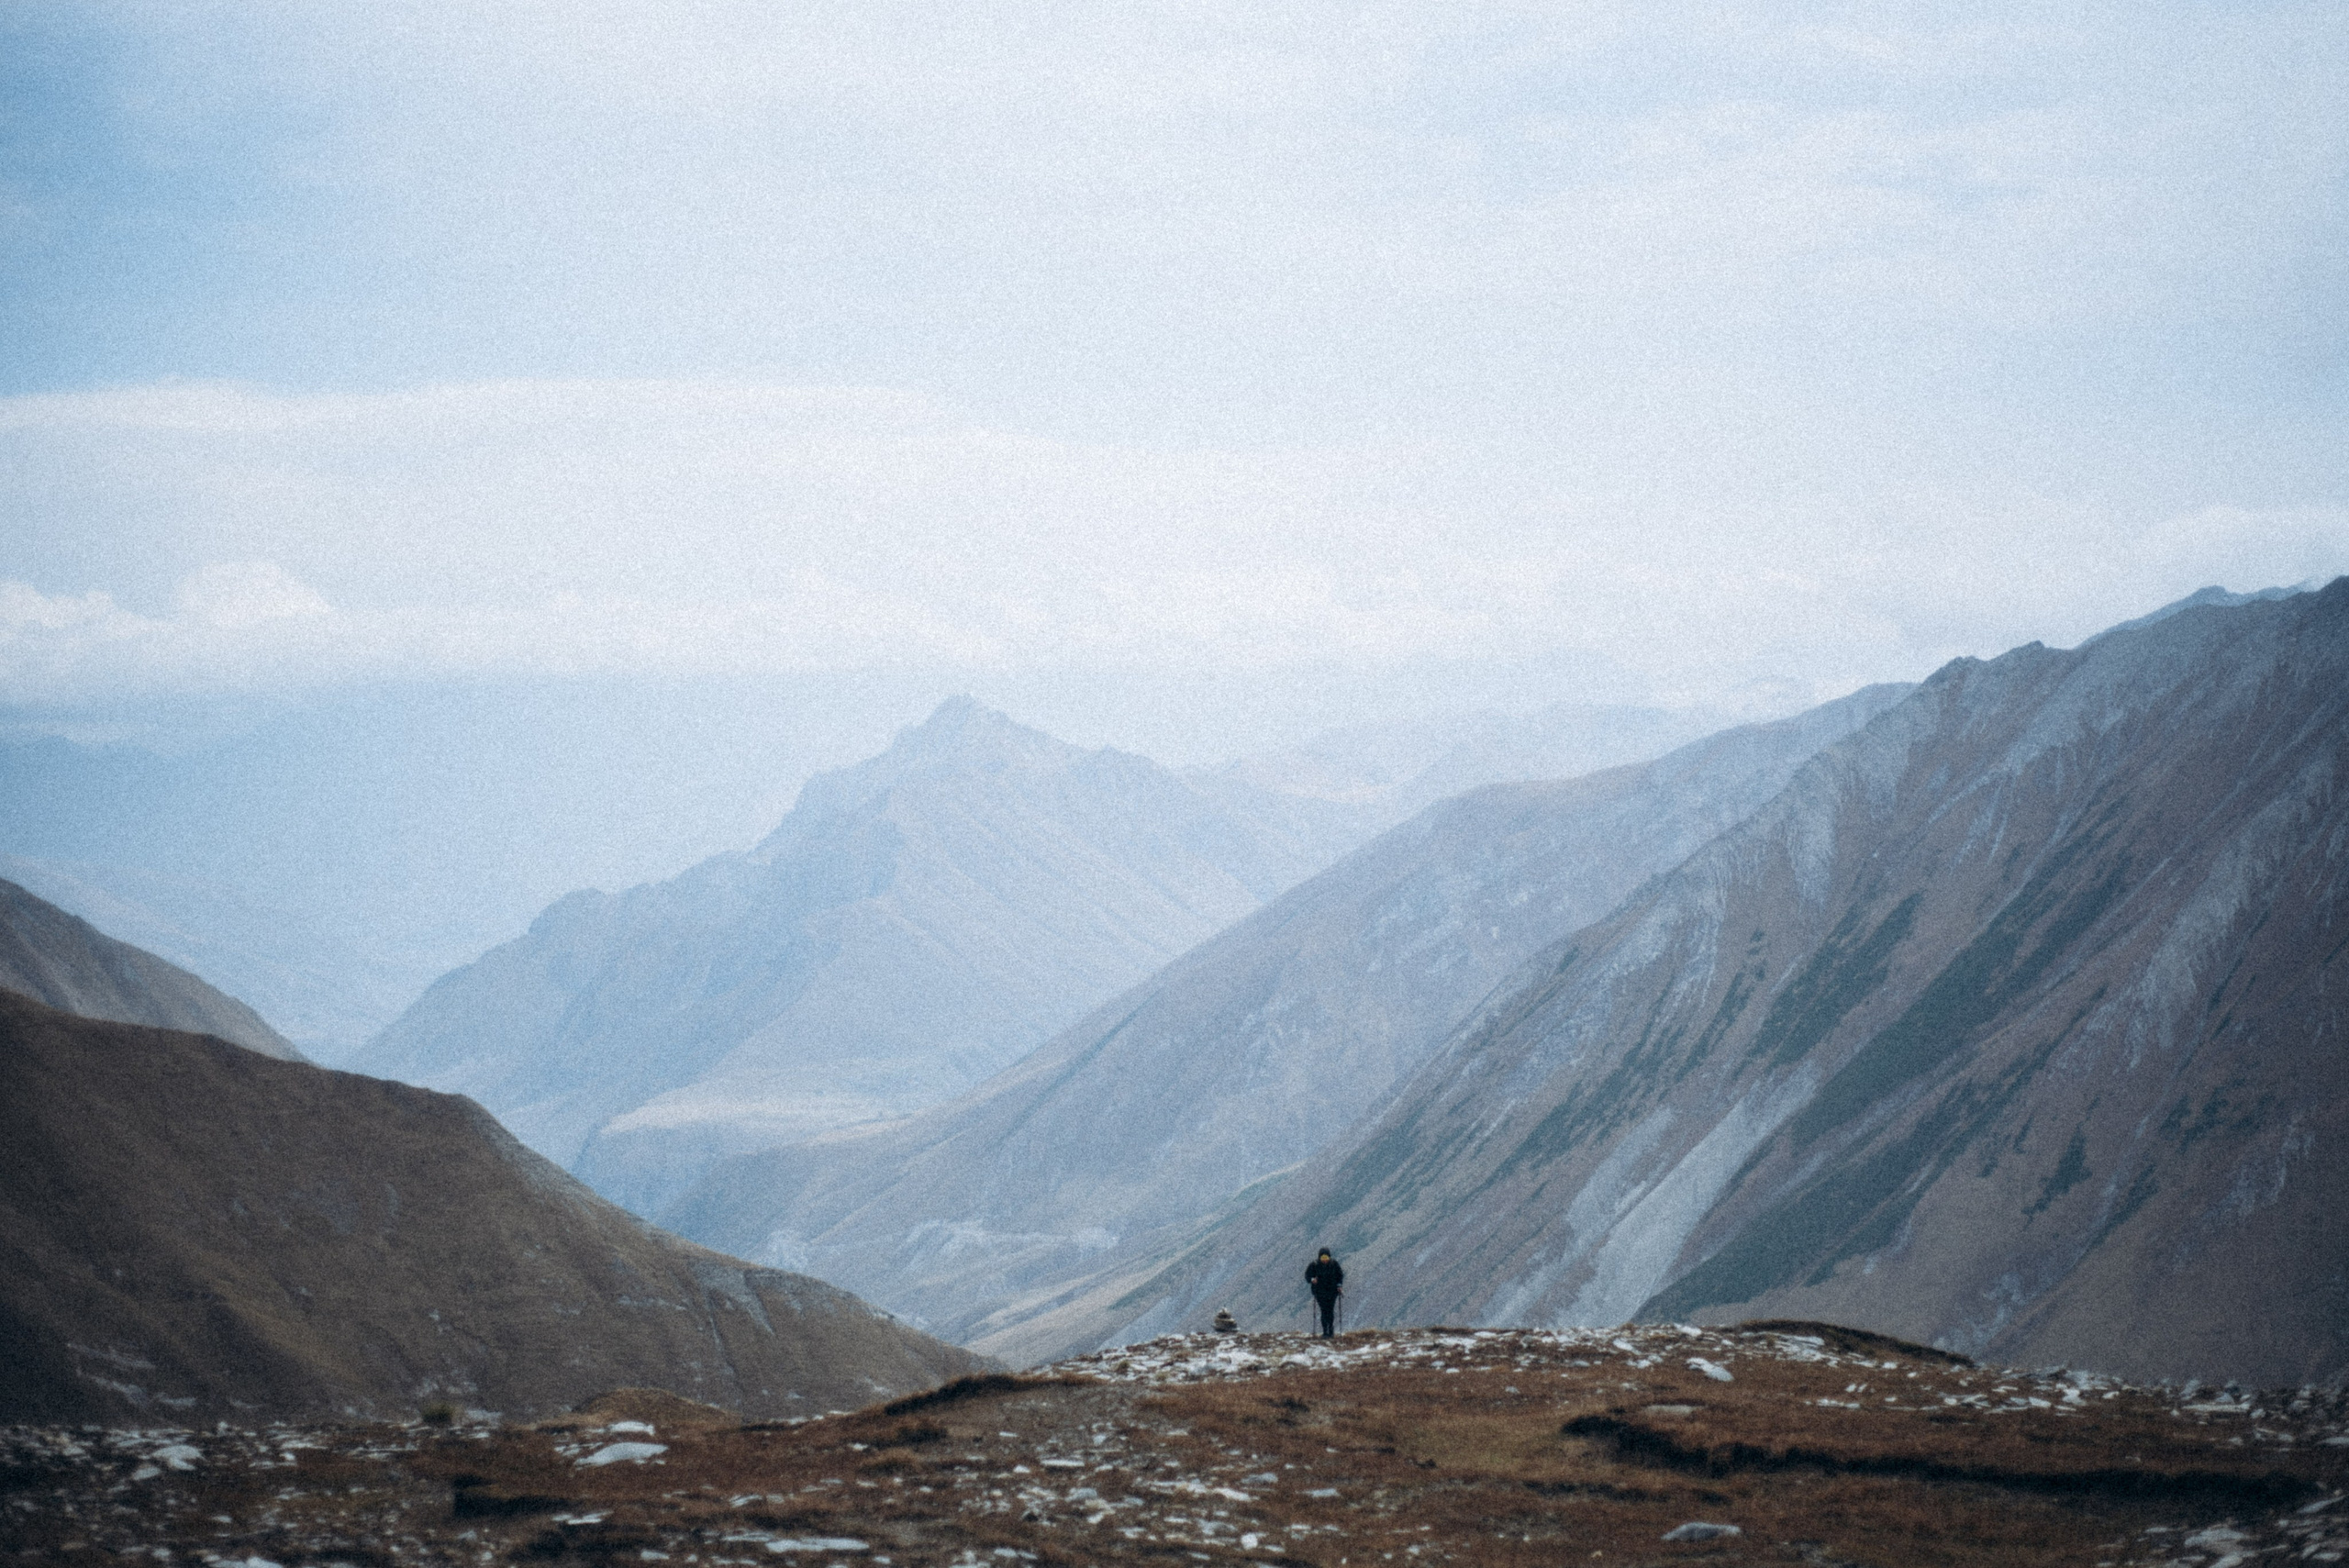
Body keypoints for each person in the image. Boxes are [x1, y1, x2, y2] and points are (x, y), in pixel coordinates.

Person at [1304, 1248, 1344, 1338]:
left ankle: (1330, 1331)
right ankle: (1326, 1331)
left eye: (1326, 1258)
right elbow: (1307, 1276)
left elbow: (1340, 1275)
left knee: (1329, 1310)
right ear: (1319, 1258)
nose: (1325, 1260)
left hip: (1332, 1292)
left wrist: (1339, 1285)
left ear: (1329, 1257)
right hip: (1320, 1292)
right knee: (1324, 1310)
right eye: (1323, 1258)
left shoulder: (1334, 1264)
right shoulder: (1314, 1265)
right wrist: (1312, 1279)